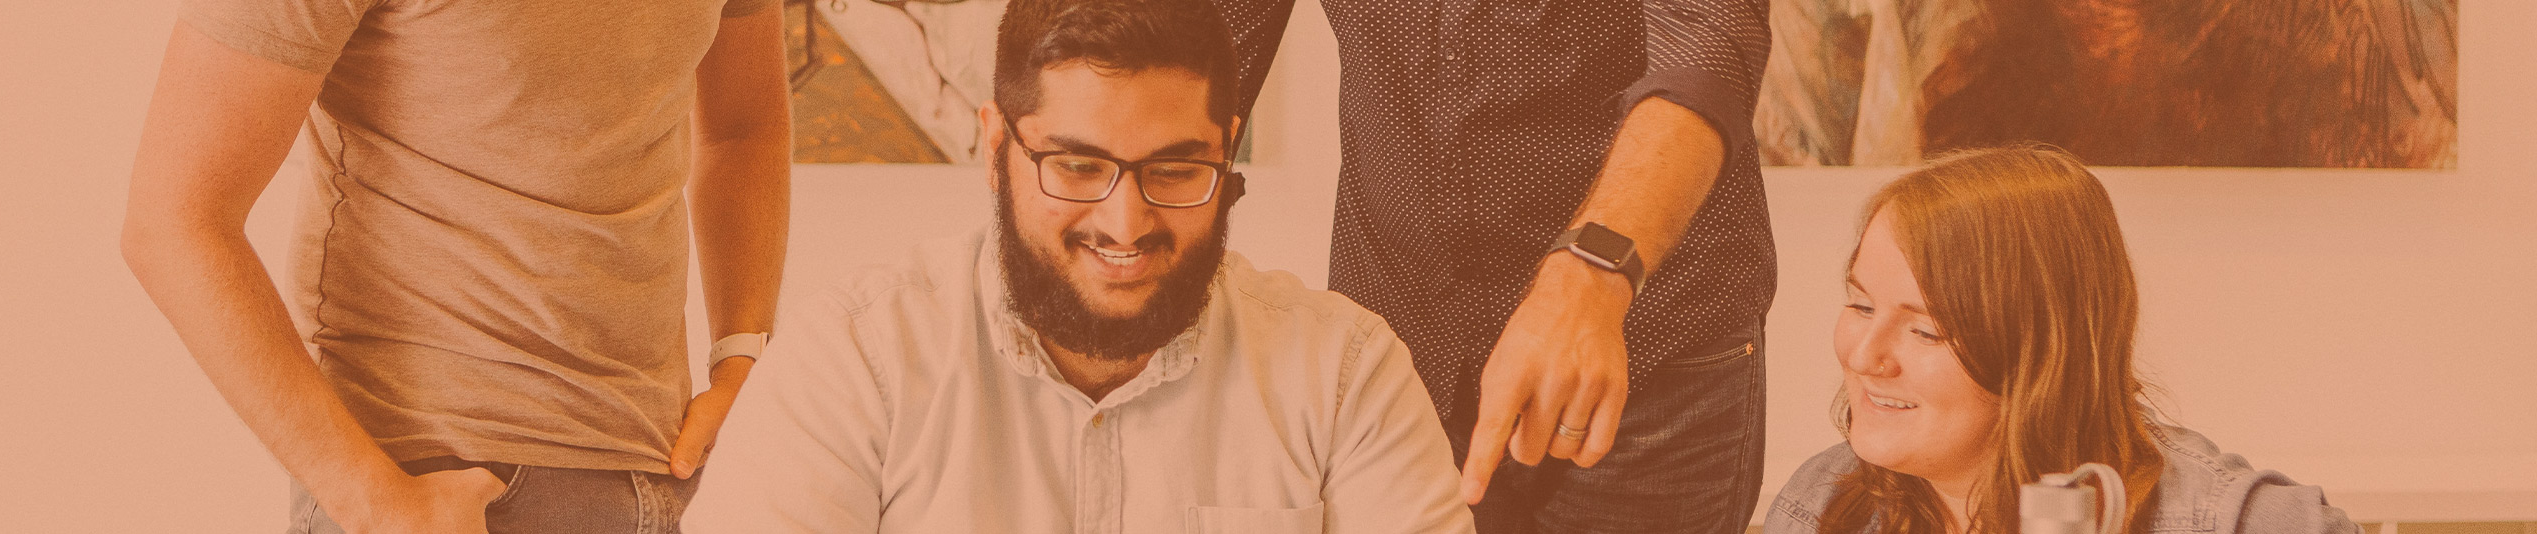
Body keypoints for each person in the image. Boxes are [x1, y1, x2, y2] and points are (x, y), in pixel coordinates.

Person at [679, 0, 1472, 531]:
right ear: (997, 148)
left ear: (1226, 149)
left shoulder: (1346, 377)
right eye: (1079, 167)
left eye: (1175, 170)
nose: (1125, 223)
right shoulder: (853, 364)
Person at [116, 0, 791, 530]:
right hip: (440, 477)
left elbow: (745, 127)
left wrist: (742, 361)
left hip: (661, 470)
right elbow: (172, 220)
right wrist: (378, 504)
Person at [1213, 0, 1777, 531]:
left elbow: (1708, 39)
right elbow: (1204, 38)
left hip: (1646, 343)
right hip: (1402, 341)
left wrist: (1592, 272)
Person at [1765, 146, 2362, 534]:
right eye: (1860, 305)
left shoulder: (2230, 519)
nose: (1863, 356)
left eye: (1926, 331)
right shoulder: (1820, 502)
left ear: (2041, 351)